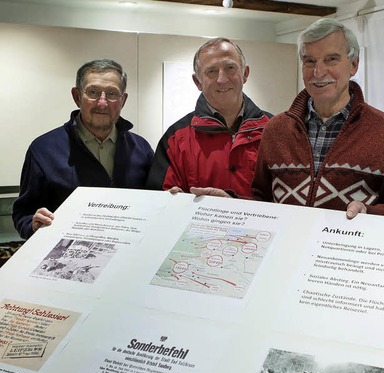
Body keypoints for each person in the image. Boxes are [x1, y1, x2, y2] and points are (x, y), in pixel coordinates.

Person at [251, 18, 384, 216]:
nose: (318, 72)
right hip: (288, 246)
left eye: (331, 59)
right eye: (309, 61)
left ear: (353, 65)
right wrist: (228, 203)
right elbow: (260, 199)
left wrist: (368, 212)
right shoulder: (276, 130)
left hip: (351, 245)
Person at [12, 59, 153, 240]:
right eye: (93, 92)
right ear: (77, 96)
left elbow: (155, 204)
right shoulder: (43, 150)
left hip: (128, 257)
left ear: (123, 100)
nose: (102, 103)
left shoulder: (141, 149)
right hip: (68, 261)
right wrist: (32, 223)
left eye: (112, 94)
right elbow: (22, 213)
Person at [146, 37, 272, 198]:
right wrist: (171, 203)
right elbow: (158, 201)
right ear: (197, 81)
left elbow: (286, 199)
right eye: (211, 71)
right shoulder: (176, 138)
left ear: (245, 74)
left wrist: (234, 205)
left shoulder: (274, 131)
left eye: (230, 68)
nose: (222, 79)